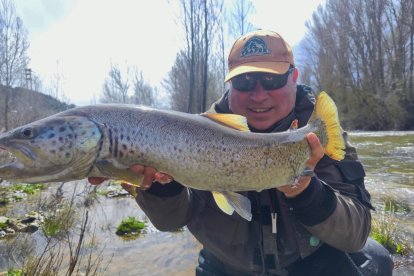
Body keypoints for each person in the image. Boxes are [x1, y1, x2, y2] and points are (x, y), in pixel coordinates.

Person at [89, 30, 393, 275]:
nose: (258, 94)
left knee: (377, 257)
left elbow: (354, 234)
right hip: (226, 266)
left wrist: (303, 187)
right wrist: (161, 189)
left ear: (294, 77)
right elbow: (171, 221)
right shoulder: (191, 137)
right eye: (245, 81)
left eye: (272, 80)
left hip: (308, 263)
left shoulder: (317, 138)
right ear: (230, 84)